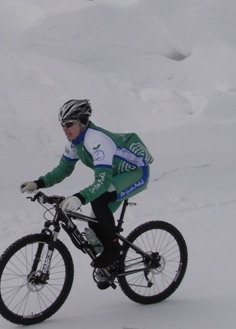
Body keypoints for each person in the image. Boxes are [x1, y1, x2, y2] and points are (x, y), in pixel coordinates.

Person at [20, 99, 153, 272]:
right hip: (116, 176)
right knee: (94, 224)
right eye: (62, 125)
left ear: (82, 122)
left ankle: (113, 251)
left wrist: (79, 198)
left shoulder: (97, 140)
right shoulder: (75, 143)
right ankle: (109, 267)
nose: (65, 129)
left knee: (99, 201)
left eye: (69, 124)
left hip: (136, 173)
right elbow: (63, 169)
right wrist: (39, 183)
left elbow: (102, 181)